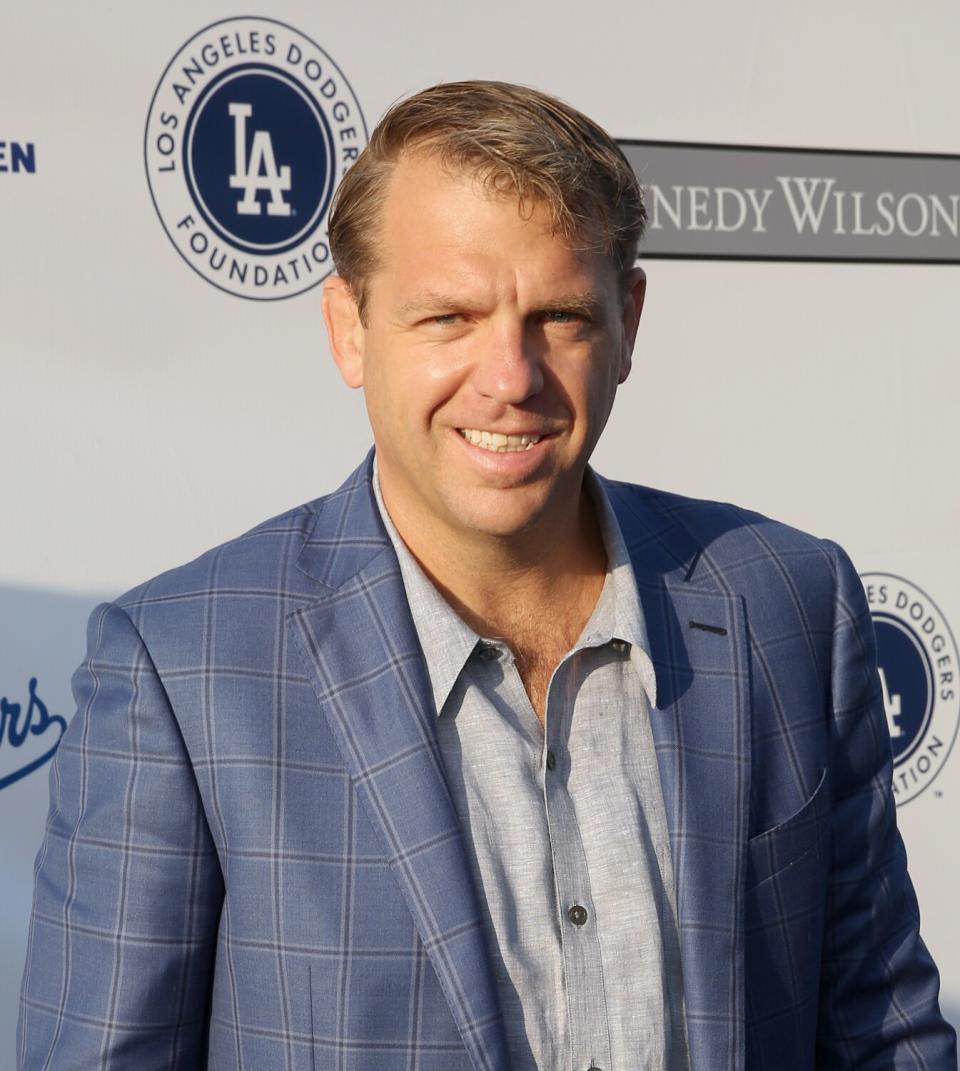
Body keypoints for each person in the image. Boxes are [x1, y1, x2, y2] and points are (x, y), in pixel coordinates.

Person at [17, 80, 955, 1071]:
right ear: (349, 327)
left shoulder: (790, 608)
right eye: (449, 319)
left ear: (628, 323)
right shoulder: (185, 670)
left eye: (559, 316)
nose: (510, 376)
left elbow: (882, 1033)